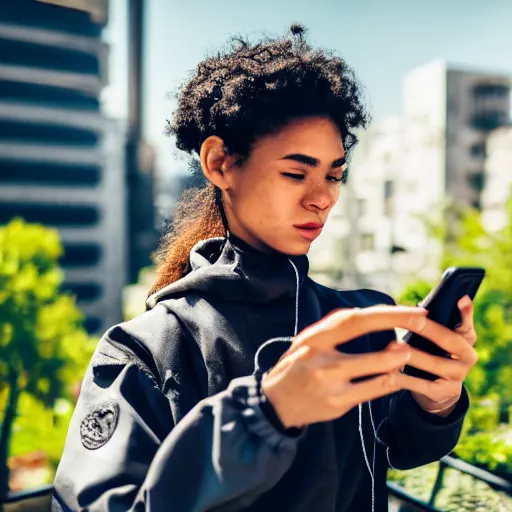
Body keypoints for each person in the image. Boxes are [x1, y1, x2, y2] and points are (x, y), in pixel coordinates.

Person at [52, 25, 478, 512]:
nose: (321, 198)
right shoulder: (145, 348)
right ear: (219, 163)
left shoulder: (360, 318)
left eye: (335, 175)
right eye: (296, 173)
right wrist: (264, 414)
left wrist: (438, 399)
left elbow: (401, 448)